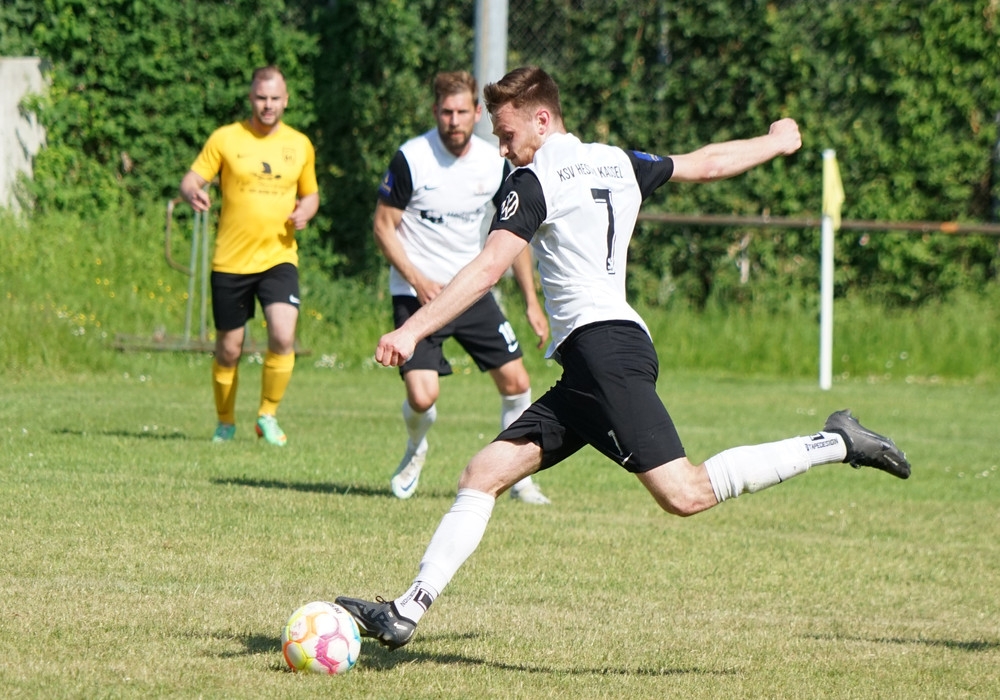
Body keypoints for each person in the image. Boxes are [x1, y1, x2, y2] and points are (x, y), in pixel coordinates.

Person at [335, 66, 911, 649]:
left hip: (603, 352)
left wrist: (412, 330)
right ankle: (406, 611)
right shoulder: (617, 161)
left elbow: (487, 269)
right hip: (598, 356)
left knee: (685, 492)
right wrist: (775, 142)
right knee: (482, 474)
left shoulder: (533, 180)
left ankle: (836, 441)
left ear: (542, 119)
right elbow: (707, 163)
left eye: (506, 135)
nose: (502, 149)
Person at [374, 70, 552, 504]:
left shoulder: (494, 162)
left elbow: (515, 236)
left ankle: (520, 481)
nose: (453, 121)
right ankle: (416, 447)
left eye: (461, 112)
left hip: (470, 292)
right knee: (423, 396)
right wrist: (417, 279)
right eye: (445, 112)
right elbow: (382, 226)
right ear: (435, 111)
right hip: (417, 295)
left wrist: (531, 302)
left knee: (517, 381)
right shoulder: (412, 158)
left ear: (476, 112)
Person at [179, 65, 318, 446]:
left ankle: (267, 415)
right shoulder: (226, 138)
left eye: (275, 98)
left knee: (283, 334)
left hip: (279, 257)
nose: (268, 105)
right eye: (261, 98)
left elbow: (311, 194)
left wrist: (306, 211)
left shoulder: (300, 144)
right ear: (251, 98)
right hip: (231, 260)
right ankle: (225, 421)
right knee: (229, 349)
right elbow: (191, 179)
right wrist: (192, 192)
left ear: (285, 100)